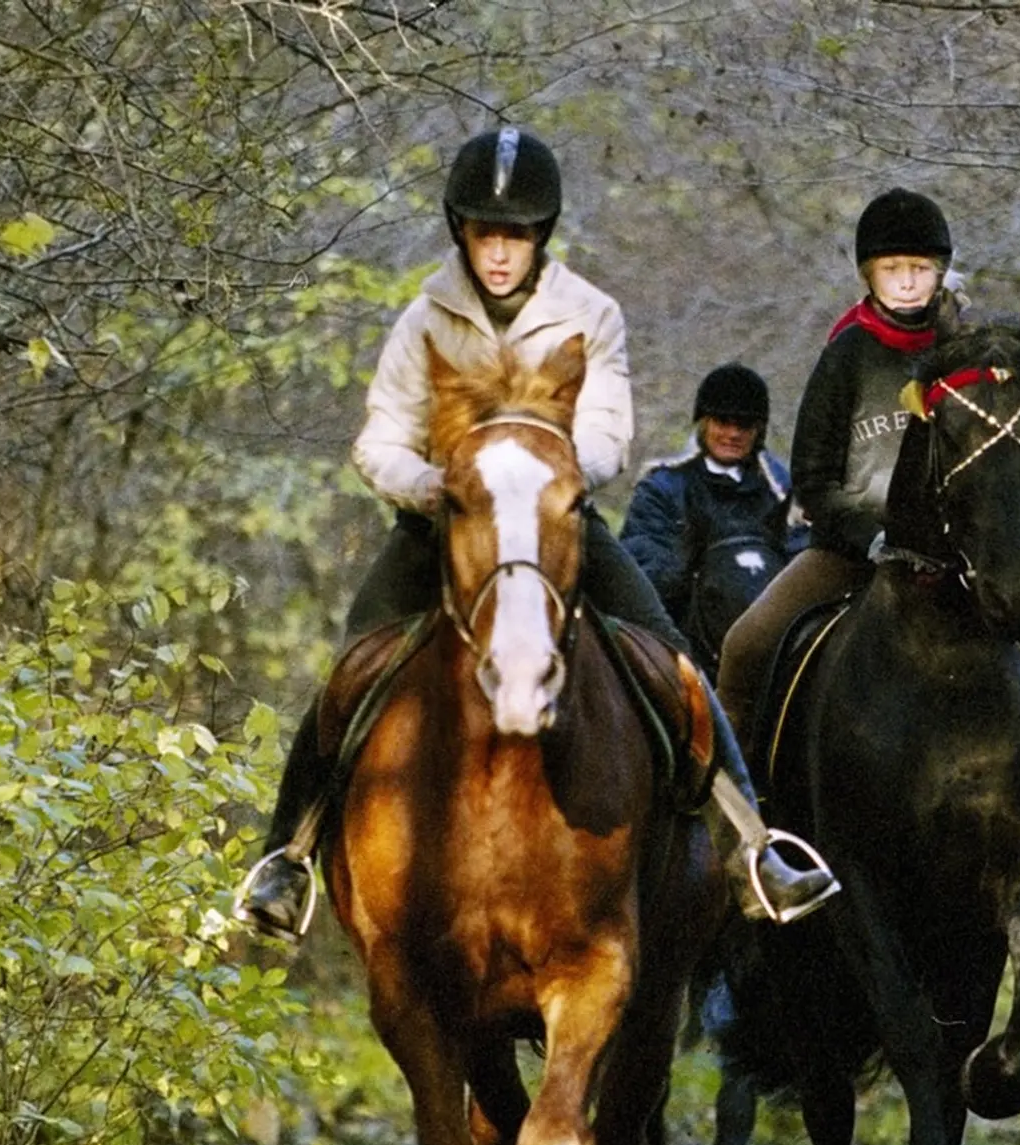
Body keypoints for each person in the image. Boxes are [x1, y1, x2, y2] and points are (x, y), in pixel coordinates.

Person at [238, 126, 837, 937]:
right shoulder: (424, 319)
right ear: (463, 233)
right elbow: (378, 438)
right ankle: (289, 858)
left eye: (515, 237)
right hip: (443, 531)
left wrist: (542, 478)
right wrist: (435, 487)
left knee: (675, 665)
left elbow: (607, 436)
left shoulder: (590, 314)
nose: (499, 254)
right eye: (487, 235)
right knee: (350, 668)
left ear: (539, 237)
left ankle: (754, 847)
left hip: (555, 528)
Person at [713, 187, 1020, 866]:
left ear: (940, 272)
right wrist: (867, 537)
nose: (906, 280)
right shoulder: (847, 355)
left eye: (920, 268)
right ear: (869, 274)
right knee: (747, 642)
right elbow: (812, 478)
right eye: (892, 268)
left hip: (963, 556)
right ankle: (739, 828)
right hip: (854, 549)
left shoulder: (970, 350)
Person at [619, 362, 807, 675]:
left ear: (758, 430)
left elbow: (801, 565)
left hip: (771, 644)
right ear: (704, 422)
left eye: (744, 425)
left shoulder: (783, 491)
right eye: (722, 421)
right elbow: (645, 575)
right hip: (683, 644)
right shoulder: (662, 487)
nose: (732, 434)